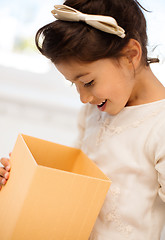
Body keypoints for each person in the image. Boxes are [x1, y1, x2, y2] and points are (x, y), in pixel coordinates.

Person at [0, 0, 165, 239]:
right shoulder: (94, 111)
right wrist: (22, 181)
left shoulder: (159, 126)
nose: (84, 97)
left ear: (131, 55)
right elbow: (74, 188)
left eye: (88, 82)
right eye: (74, 84)